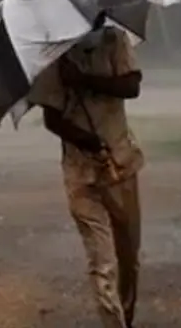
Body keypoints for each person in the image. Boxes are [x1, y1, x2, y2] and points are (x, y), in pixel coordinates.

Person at [28, 23, 145, 328]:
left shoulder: (115, 39)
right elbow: (51, 119)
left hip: (121, 163)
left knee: (128, 255)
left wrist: (84, 81)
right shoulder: (52, 55)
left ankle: (127, 317)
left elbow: (132, 86)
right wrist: (84, 140)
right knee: (101, 260)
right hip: (80, 173)